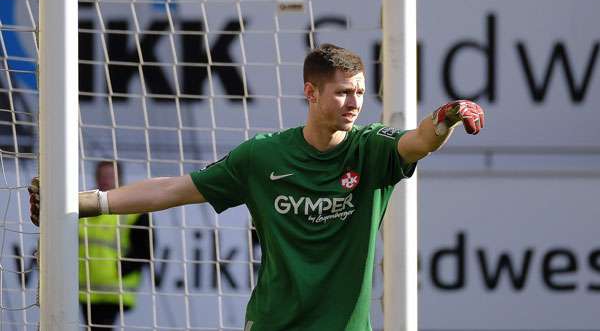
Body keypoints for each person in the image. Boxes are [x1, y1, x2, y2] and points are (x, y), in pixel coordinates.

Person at [30, 44, 484, 331]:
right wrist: (82, 203)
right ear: (311, 93)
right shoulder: (262, 156)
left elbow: (419, 142)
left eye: (360, 93)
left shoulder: (371, 148)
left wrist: (445, 118)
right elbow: (173, 189)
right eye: (343, 92)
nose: (354, 103)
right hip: (273, 323)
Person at [79, 162, 153, 331]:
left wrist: (121, 268)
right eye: (103, 176)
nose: (106, 180)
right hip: (84, 287)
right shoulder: (82, 207)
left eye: (110, 176)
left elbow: (145, 249)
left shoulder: (134, 209)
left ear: (120, 178)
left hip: (113, 289)